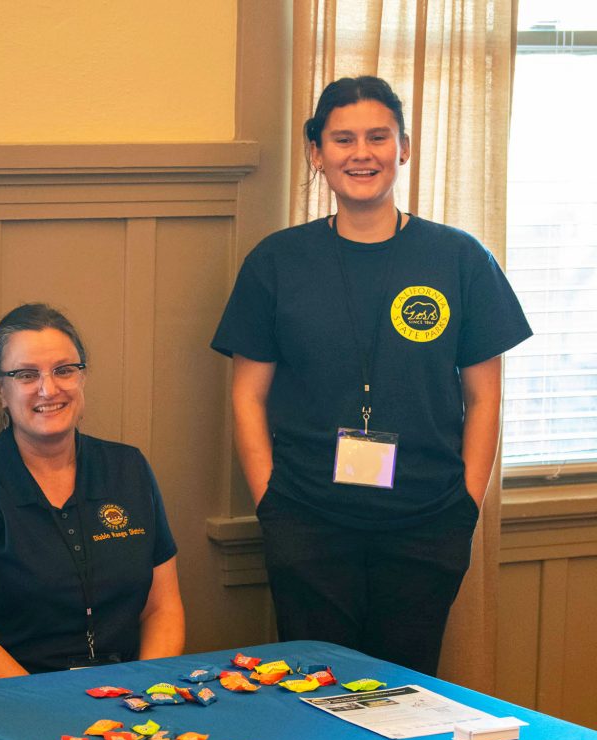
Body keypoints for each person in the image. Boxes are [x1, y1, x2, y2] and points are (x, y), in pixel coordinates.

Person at [211, 76, 531, 676]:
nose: (362, 153)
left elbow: (485, 398)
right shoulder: (276, 262)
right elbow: (247, 396)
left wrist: (464, 504)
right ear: (317, 153)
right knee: (315, 695)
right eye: (343, 139)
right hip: (306, 520)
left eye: (378, 137)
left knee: (405, 700)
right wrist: (272, 505)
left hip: (426, 523)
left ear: (403, 147)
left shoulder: (460, 259)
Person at [0, 303, 185, 682]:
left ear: (82, 377)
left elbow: (162, 609)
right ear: (0, 388)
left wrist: (146, 692)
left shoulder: (128, 469)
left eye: (64, 370)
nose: (49, 388)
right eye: (27, 375)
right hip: (15, 703)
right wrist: (48, 706)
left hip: (127, 702)